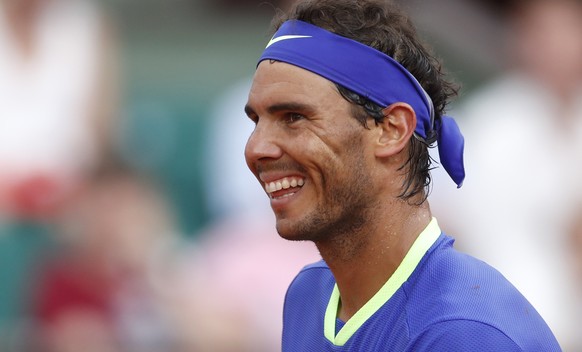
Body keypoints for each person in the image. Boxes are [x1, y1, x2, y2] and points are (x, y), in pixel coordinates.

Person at [242, 0, 561, 350]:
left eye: (293, 117)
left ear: (392, 129)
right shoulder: (308, 294)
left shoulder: (465, 334)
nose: (256, 148)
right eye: (256, 121)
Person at [429, 0, 582, 349]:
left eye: (569, 29)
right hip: (504, 324)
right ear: (521, 39)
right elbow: (441, 218)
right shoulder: (487, 127)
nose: (557, 45)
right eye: (543, 31)